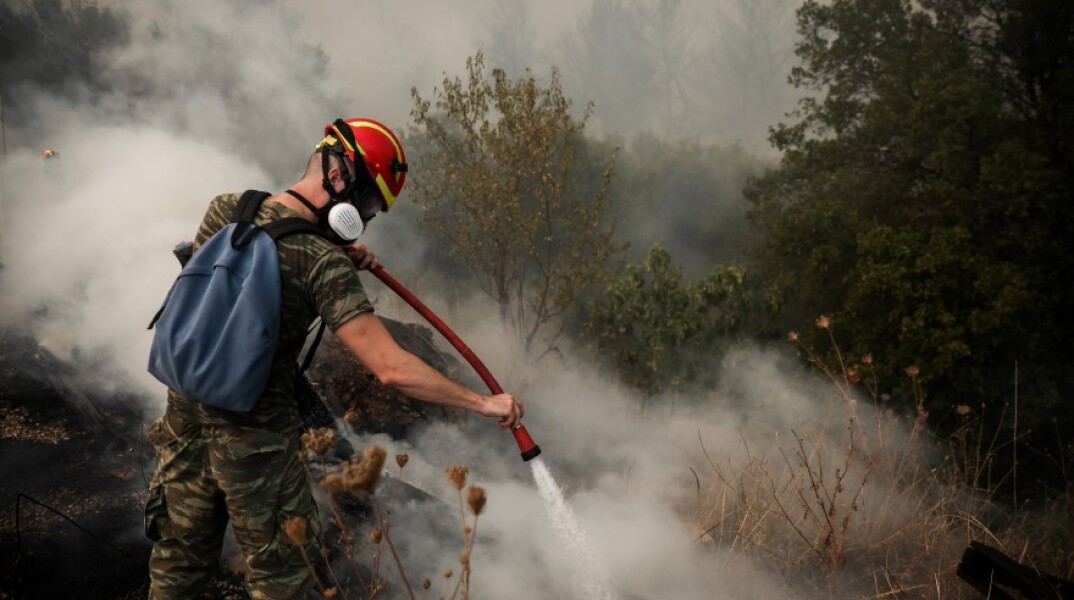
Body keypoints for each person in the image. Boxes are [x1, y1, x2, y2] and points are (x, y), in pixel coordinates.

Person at [144, 118, 524, 600]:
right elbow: (391, 368)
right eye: (368, 204)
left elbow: (254, 259)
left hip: (183, 424)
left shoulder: (225, 208)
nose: (365, 216)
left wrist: (337, 250)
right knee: (285, 583)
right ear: (341, 177)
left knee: (178, 568)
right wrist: (484, 403)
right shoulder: (322, 263)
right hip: (257, 445)